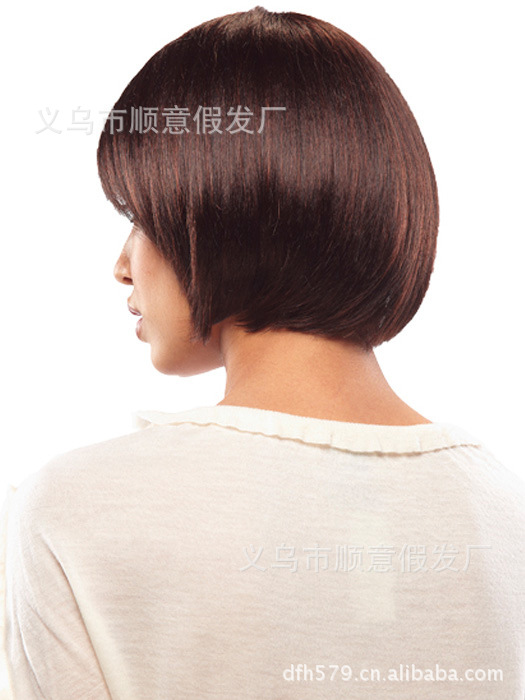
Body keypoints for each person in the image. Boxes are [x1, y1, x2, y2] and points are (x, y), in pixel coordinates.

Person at [1, 5, 524, 699]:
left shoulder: (74, 508)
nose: (122, 266)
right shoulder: (505, 513)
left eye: (139, 216)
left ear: (228, 204)